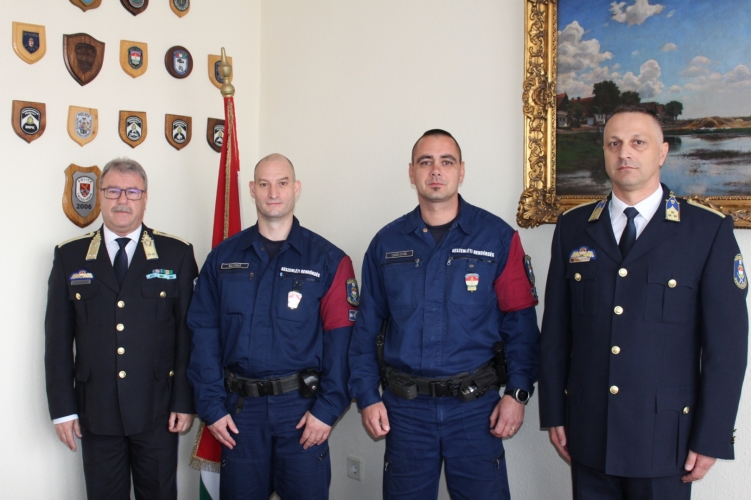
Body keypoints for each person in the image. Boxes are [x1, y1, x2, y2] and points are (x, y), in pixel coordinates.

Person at [539, 104, 749, 499]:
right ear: (604, 152)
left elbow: (727, 347)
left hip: (665, 439)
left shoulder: (706, 230)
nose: (625, 153)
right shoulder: (573, 227)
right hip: (589, 431)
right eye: (614, 144)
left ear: (662, 152)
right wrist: (554, 411)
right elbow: (556, 332)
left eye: (638, 142)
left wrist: (712, 435)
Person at [349, 129, 540, 499]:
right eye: (426, 162)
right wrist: (367, 396)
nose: (436, 170)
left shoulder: (497, 238)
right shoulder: (387, 244)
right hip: (406, 411)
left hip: (475, 409)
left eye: (446, 162)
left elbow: (520, 324)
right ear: (412, 172)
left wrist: (517, 394)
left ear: (461, 171)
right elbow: (366, 328)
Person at [187, 154, 357, 499]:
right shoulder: (222, 258)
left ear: (296, 188)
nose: (273, 193)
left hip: (302, 413)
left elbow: (342, 344)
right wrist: (211, 408)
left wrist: (326, 411)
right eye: (264, 184)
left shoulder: (328, 260)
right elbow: (203, 336)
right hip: (239, 415)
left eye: (282, 183)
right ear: (252, 189)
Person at [45, 158, 198, 499]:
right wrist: (62, 409)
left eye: (132, 192)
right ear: (100, 196)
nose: (122, 200)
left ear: (145, 198)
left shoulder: (176, 254)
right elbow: (57, 341)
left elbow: (188, 336)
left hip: (158, 411)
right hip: (96, 410)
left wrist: (185, 400)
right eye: (113, 191)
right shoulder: (70, 256)